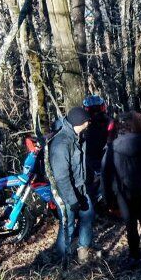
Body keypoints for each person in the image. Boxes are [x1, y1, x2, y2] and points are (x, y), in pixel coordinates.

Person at [102, 111, 141, 266]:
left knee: (130, 224)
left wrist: (108, 198)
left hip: (123, 192)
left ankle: (134, 256)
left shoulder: (112, 148)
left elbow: (105, 174)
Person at [47, 106, 94, 264]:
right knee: (67, 227)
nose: (88, 123)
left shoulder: (78, 137)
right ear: (78, 122)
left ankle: (83, 252)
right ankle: (62, 262)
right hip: (66, 194)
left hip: (81, 188)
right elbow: (61, 177)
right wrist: (72, 200)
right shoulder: (61, 143)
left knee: (87, 217)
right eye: (86, 121)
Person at [82, 94, 112, 215]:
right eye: (92, 110)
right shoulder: (84, 126)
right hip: (91, 161)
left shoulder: (110, 123)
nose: (95, 113)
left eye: (97, 109)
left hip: (105, 159)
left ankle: (94, 209)